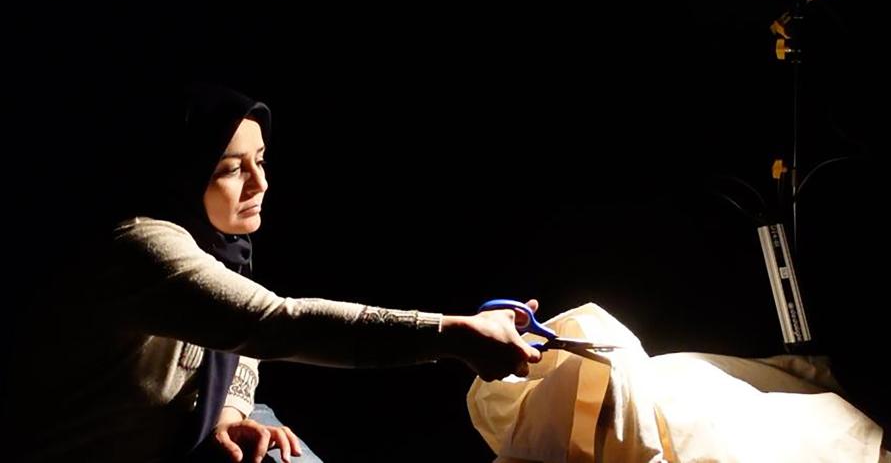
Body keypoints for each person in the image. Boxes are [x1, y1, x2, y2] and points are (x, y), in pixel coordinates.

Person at [4, 83, 541, 463]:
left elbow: (239, 348)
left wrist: (228, 410)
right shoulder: (143, 247)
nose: (259, 183)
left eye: (261, 159)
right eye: (231, 168)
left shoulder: (220, 245)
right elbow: (273, 323)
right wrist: (449, 332)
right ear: (183, 173)